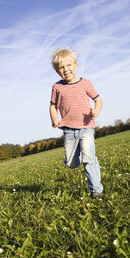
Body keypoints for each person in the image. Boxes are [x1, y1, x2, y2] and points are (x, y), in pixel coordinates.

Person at [49, 48, 103, 198]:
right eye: (61, 67)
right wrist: (54, 119)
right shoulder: (57, 87)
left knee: (89, 159)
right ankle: (82, 155)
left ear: (76, 66)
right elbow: (53, 106)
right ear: (57, 71)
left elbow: (98, 99)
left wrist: (96, 111)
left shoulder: (85, 83)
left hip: (86, 127)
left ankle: (96, 191)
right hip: (68, 130)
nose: (66, 69)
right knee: (71, 163)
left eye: (69, 65)